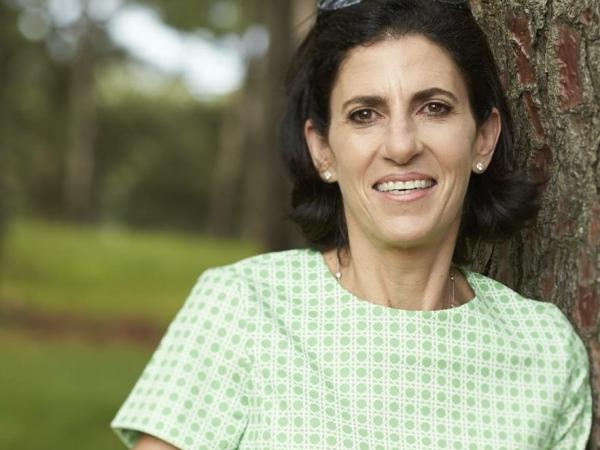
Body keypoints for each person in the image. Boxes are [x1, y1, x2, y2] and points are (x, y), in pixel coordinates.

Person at [111, 0, 593, 448]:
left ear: (483, 140)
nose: (401, 145)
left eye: (434, 108)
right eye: (365, 114)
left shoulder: (544, 350)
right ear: (323, 149)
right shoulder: (242, 309)